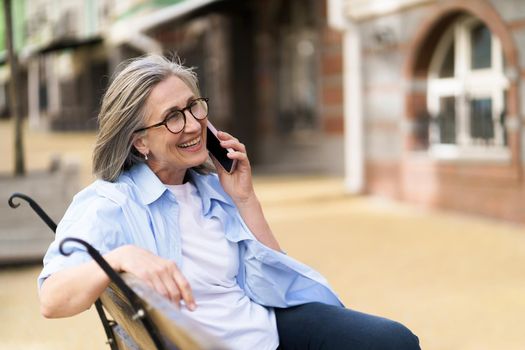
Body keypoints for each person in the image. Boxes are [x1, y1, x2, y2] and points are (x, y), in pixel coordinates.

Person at [38, 54, 420, 350]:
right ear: (139, 141)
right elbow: (52, 300)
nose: (191, 124)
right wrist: (119, 258)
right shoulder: (109, 204)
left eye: (193, 107)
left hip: (265, 330)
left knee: (394, 341)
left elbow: (277, 277)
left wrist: (245, 197)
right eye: (172, 117)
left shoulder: (211, 189)